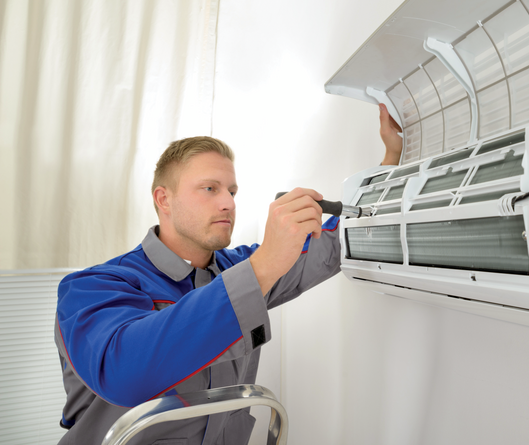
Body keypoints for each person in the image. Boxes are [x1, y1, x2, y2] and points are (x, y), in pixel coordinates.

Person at [55, 104, 402, 444]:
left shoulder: (240, 269)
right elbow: (124, 373)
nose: (228, 203)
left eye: (232, 191)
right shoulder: (91, 287)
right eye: (210, 189)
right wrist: (265, 264)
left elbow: (336, 243)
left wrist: (391, 161)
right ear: (164, 199)